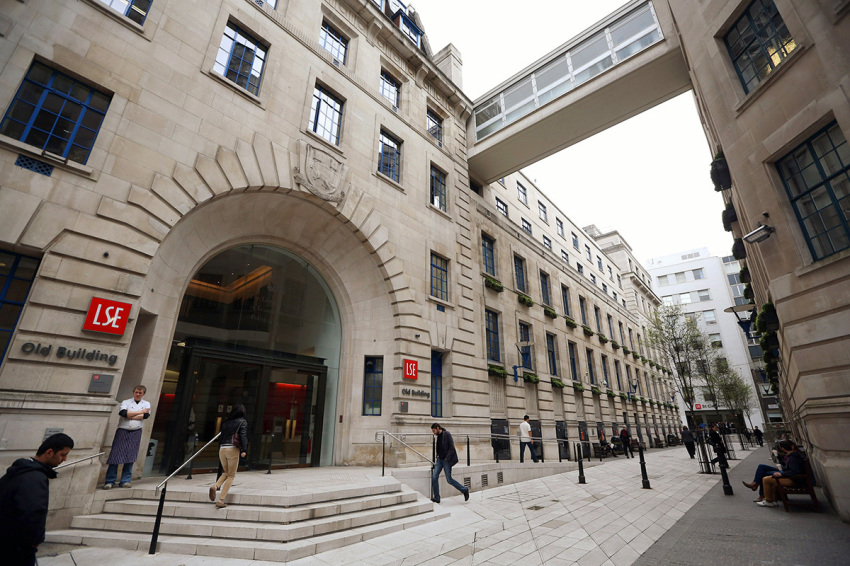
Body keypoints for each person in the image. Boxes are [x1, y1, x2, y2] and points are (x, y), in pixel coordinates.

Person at [0, 433, 74, 566]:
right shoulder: (35, 477)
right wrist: (34, 540)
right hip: (16, 547)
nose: (65, 459)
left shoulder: (20, 471)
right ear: (49, 452)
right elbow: (33, 512)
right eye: (63, 454)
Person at [104, 385, 150, 489]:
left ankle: (125, 480)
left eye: (140, 393)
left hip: (136, 431)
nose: (138, 394)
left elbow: (146, 416)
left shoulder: (146, 403)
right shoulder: (126, 402)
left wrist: (131, 414)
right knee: (115, 456)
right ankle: (110, 480)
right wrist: (140, 412)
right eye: (136, 392)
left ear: (143, 394)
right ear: (133, 392)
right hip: (122, 430)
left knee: (130, 456)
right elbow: (123, 413)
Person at [209, 404, 248, 508]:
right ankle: (221, 500)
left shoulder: (227, 422)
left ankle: (215, 486)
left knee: (226, 472)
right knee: (231, 475)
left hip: (222, 448)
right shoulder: (242, 421)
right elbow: (243, 436)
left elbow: (221, 436)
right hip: (232, 449)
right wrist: (244, 449)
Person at [429, 423, 469, 504]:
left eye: (434, 430)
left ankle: (464, 490)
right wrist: (437, 455)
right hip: (439, 460)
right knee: (434, 477)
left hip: (446, 460)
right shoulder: (438, 436)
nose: (433, 432)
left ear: (437, 428)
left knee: (449, 480)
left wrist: (447, 458)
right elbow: (439, 447)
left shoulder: (446, 434)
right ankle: (437, 497)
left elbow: (451, 447)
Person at [758, 442, 806, 507]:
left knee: (766, 479)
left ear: (783, 449)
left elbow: (794, 471)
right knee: (768, 476)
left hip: (795, 480)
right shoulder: (794, 455)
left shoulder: (792, 458)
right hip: (797, 479)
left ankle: (769, 500)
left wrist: (781, 474)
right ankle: (773, 499)